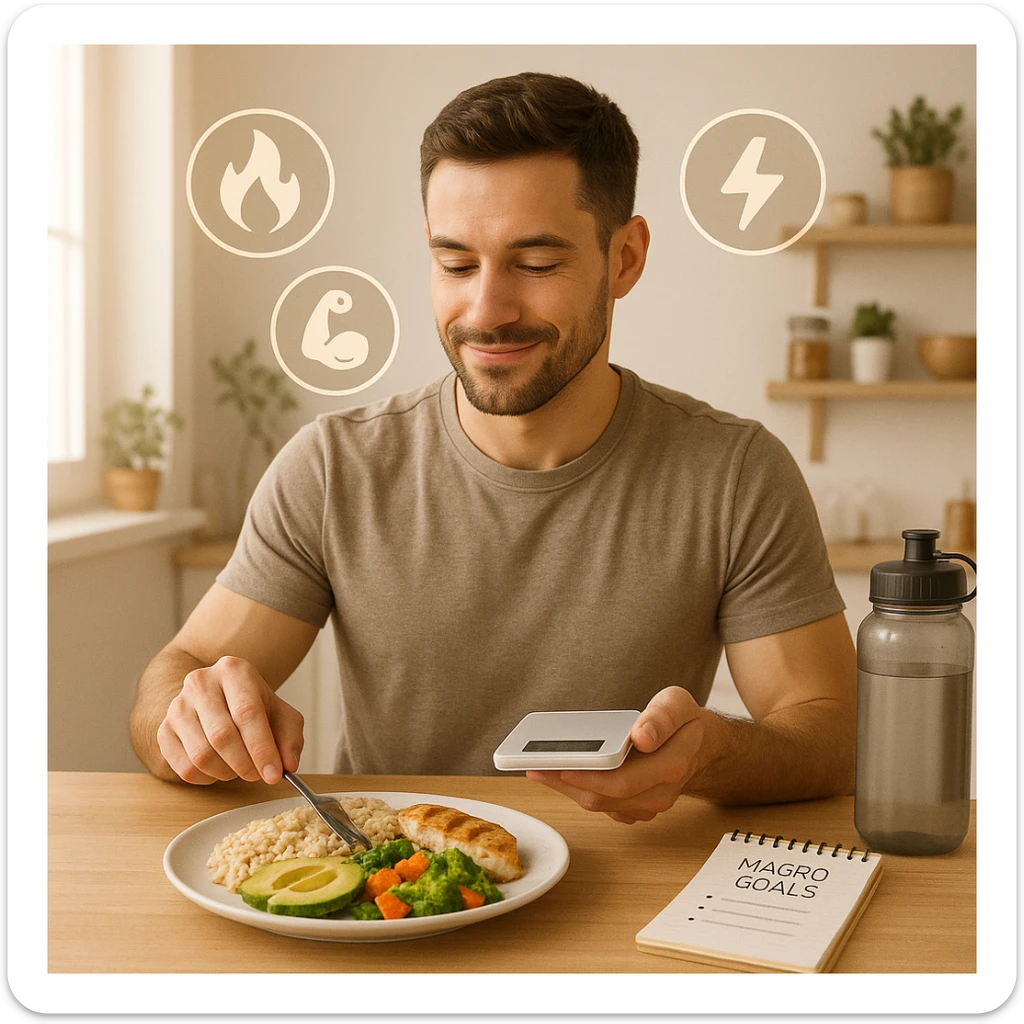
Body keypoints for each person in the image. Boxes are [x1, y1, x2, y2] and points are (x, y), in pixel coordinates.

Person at [130, 72, 857, 823]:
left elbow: (832, 737)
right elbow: (173, 679)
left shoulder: (734, 476)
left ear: (625, 258)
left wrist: (712, 757)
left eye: (536, 264)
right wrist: (192, 717)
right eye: (456, 263)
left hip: (623, 897)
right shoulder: (334, 468)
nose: (487, 310)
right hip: (390, 904)